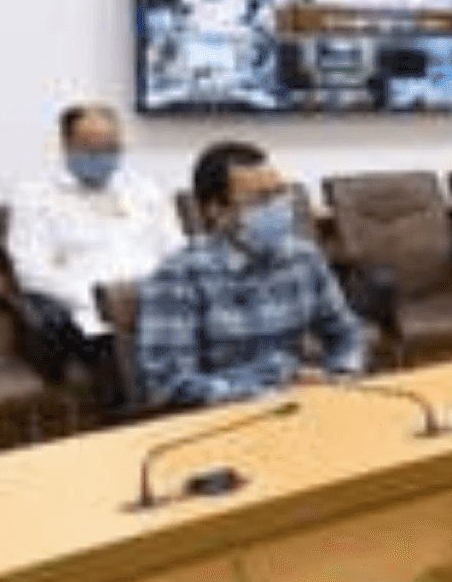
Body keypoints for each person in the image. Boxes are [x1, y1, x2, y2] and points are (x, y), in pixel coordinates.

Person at [135, 141, 365, 409]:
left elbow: (347, 333)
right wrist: (259, 391)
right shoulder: (178, 277)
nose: (279, 207)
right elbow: (168, 384)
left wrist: (339, 374)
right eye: (262, 199)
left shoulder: (303, 258)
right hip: (224, 417)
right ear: (216, 210)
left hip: (297, 405)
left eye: (281, 193)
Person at [7, 103, 186, 405]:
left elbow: (176, 251)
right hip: (93, 315)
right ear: (66, 145)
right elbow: (31, 272)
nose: (103, 156)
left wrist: (162, 293)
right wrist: (101, 300)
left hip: (157, 305)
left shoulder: (144, 189)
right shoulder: (35, 197)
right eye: (91, 148)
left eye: (111, 148)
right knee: (123, 365)